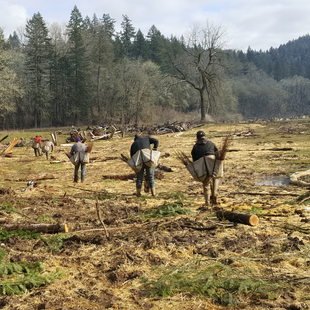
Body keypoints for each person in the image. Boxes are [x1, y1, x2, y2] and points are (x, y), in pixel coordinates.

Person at [191, 130, 219, 205]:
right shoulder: (211, 143)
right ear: (204, 136)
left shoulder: (195, 147)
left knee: (206, 183)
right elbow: (217, 153)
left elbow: (194, 160)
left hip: (202, 164)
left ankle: (207, 203)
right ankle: (214, 196)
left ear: (197, 138)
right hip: (212, 162)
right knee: (214, 179)